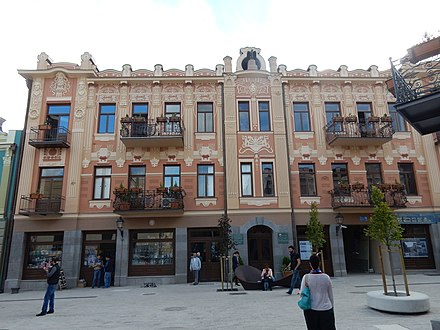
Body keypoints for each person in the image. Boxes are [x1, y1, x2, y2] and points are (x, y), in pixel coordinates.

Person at [300, 254, 336, 330]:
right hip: (326, 309)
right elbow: (330, 295)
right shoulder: (326, 277)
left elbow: (302, 293)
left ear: (310, 264)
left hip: (311, 310)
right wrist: (332, 308)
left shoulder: (306, 277)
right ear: (319, 263)